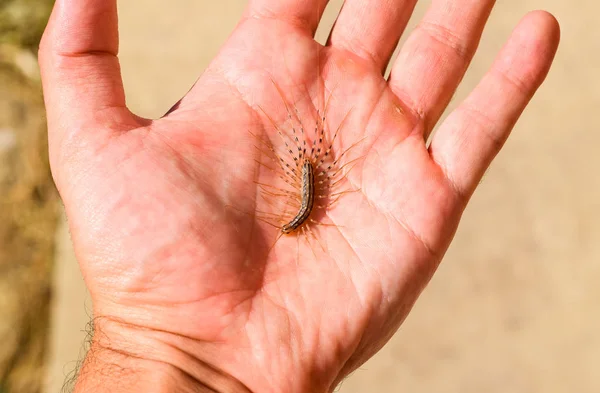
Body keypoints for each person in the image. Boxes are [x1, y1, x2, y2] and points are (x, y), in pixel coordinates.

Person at [38, 0, 560, 392]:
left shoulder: (303, 203)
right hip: (309, 184)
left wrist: (160, 346)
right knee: (313, 183)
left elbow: (311, 203)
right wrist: (169, 346)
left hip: (310, 182)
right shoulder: (302, 208)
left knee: (313, 181)